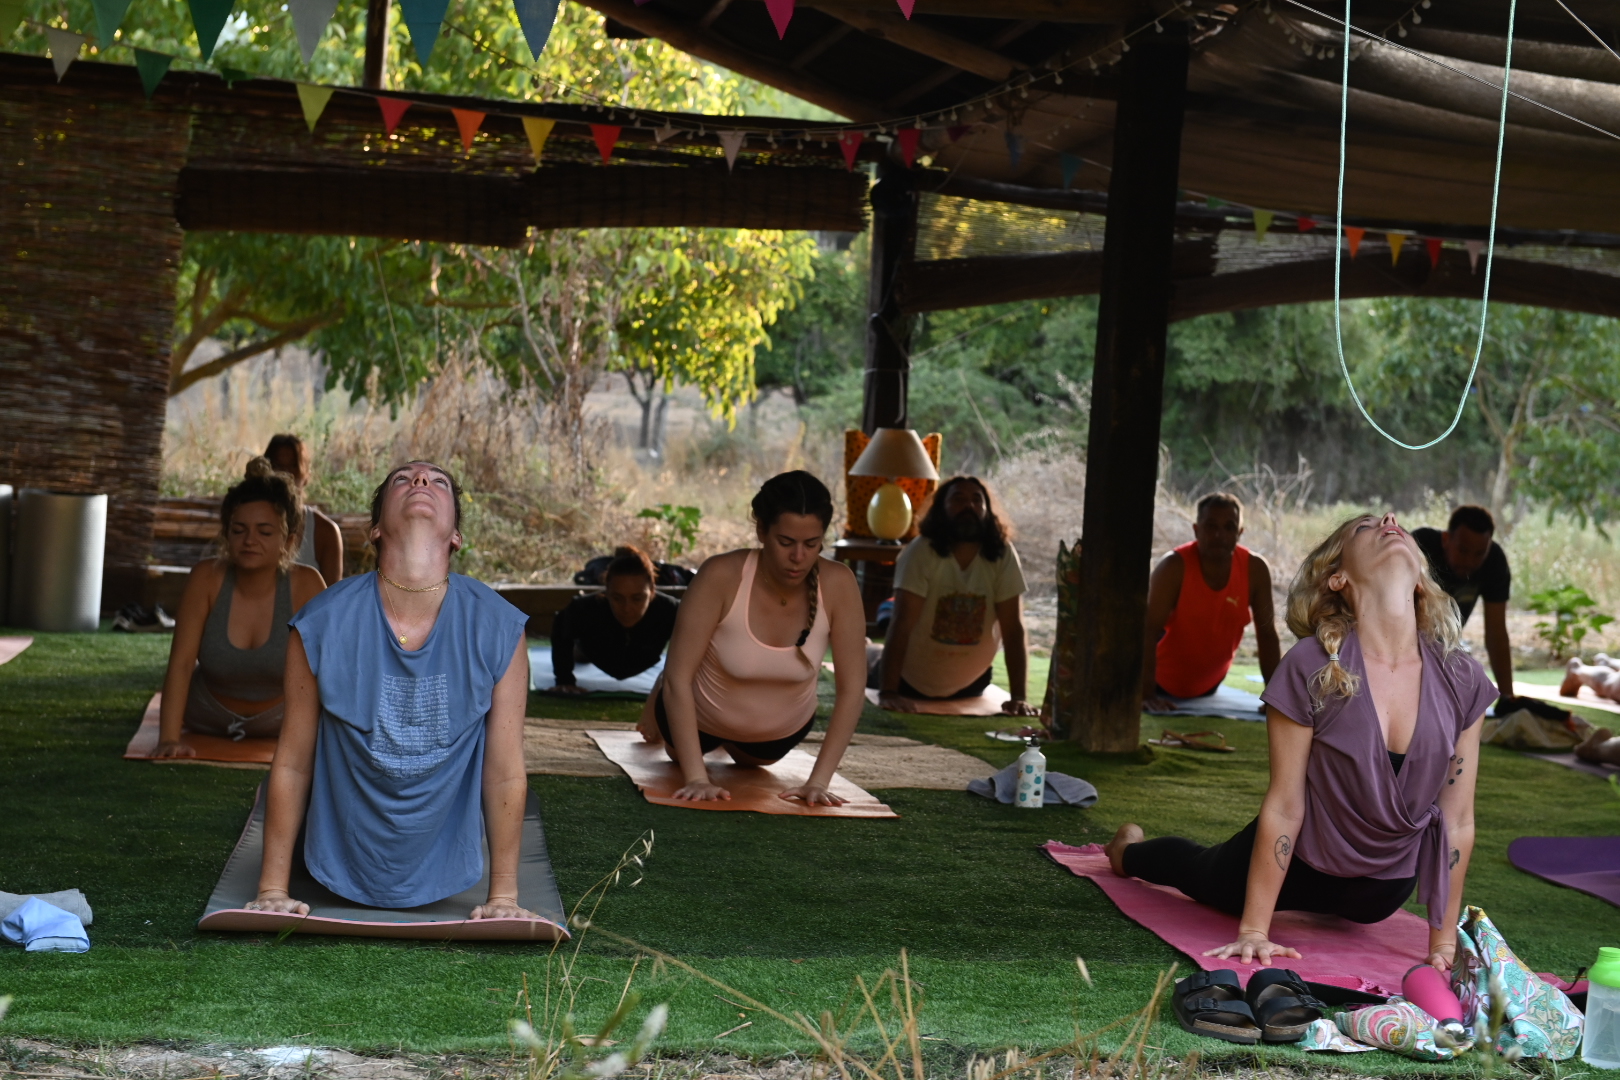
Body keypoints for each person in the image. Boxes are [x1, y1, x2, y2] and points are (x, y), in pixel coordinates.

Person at [1105, 512, 1494, 970]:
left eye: (1396, 526)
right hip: (1297, 865)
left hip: (1381, 891)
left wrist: (1443, 945)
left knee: (1358, 898)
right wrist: (1254, 931)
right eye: (1365, 527)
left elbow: (1457, 820)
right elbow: (1286, 804)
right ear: (1338, 578)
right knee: (1200, 872)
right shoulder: (1313, 665)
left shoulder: (1462, 678)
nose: (1389, 520)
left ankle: (1328, 904)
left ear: (1421, 581)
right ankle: (1126, 851)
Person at [245, 461, 534, 919]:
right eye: (404, 479)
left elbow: (504, 772)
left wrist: (504, 898)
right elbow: (294, 762)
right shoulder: (321, 622)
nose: (420, 481)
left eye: (438, 482)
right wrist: (272, 888)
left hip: (449, 872)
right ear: (376, 529)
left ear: (456, 536)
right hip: (331, 865)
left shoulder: (499, 627)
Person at [636, 471, 866, 805]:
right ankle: (656, 693)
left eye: (811, 544)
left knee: (753, 764)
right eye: (785, 542)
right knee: (676, 735)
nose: (798, 557)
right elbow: (678, 680)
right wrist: (697, 778)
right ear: (761, 531)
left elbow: (852, 689)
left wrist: (818, 781)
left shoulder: (839, 584)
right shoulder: (720, 575)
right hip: (698, 719)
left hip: (776, 736)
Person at [153, 458, 327, 758]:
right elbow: (181, 663)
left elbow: (332, 669)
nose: (250, 541)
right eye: (239, 530)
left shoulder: (307, 584)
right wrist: (168, 739)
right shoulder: (206, 578)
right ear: (226, 534)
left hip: (283, 719)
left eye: (265, 532)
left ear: (288, 540)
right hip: (206, 715)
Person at [872, 476, 1040, 717]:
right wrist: (888, 691)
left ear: (987, 510)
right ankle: (869, 650)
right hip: (907, 683)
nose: (969, 505)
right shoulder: (920, 551)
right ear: (941, 508)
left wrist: (1019, 698)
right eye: (958, 499)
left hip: (972, 685)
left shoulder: (1002, 554)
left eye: (977, 500)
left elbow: (1013, 628)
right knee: (870, 660)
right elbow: (902, 623)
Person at [1142, 492, 1280, 710]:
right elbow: (1147, 631)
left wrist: (1277, 700)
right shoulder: (1172, 567)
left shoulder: (1255, 569)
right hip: (1160, 685)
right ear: (1196, 530)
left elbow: (1267, 634)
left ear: (1240, 533)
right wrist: (1145, 696)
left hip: (1209, 688)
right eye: (1211, 526)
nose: (1219, 535)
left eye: (1229, 527)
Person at [1413, 506, 1513, 700]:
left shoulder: (1494, 561)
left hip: (1445, 650)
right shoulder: (1420, 547)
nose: (1470, 561)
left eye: (1479, 553)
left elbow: (1496, 633)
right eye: (1463, 550)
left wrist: (1507, 697)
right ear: (1446, 539)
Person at [552, 545, 678, 693]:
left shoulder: (671, 610)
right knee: (579, 653)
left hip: (643, 655)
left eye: (637, 599)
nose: (627, 608)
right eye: (617, 598)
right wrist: (564, 679)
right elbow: (560, 629)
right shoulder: (583, 609)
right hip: (593, 650)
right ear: (607, 591)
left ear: (651, 590)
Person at [264, 433, 345, 587]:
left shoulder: (325, 531)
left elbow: (333, 597)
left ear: (307, 475)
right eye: (278, 466)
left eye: (294, 466)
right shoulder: (247, 525)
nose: (286, 474)